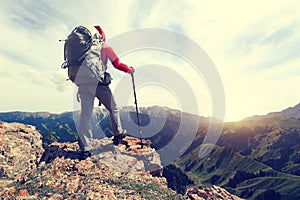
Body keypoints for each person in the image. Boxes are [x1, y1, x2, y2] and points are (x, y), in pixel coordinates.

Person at [77, 25, 134, 156]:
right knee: (113, 108)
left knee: (85, 115)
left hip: (83, 85)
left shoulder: (83, 49)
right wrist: (129, 70)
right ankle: (118, 133)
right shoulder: (105, 48)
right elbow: (117, 64)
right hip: (99, 84)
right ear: (102, 36)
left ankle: (84, 149)